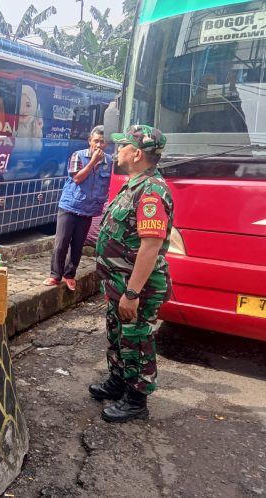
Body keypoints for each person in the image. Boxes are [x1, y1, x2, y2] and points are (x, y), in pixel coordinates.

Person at [91, 125, 174, 423]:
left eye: (122, 145)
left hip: (135, 287)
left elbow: (150, 247)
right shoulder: (135, 184)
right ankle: (118, 382)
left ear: (137, 153)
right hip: (118, 282)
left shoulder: (151, 192)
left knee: (136, 339)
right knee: (117, 335)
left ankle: (137, 400)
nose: (117, 150)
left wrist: (132, 293)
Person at [45, 126, 111, 291]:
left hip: (89, 209)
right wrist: (92, 162)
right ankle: (55, 275)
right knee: (61, 243)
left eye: (102, 142)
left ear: (106, 144)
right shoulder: (78, 156)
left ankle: (69, 275)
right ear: (90, 141)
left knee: (78, 245)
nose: (99, 145)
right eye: (96, 141)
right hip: (70, 205)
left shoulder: (110, 161)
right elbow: (77, 178)